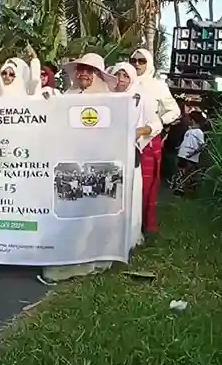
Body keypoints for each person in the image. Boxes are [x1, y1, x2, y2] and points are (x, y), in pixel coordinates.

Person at [42, 53, 116, 283]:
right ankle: (67, 260)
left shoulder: (110, 101)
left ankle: (89, 261)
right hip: (69, 164)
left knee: (91, 216)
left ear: (98, 74)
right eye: (80, 69)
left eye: (89, 70)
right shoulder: (69, 96)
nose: (83, 74)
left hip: (96, 165)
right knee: (68, 214)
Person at [128, 47, 181, 238]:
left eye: (141, 61)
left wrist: (157, 124)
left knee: (146, 186)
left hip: (148, 141)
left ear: (149, 63)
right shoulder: (125, 81)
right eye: (133, 60)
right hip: (124, 139)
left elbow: (174, 111)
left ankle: (143, 226)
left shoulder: (158, 86)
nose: (137, 64)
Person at [113, 62, 158, 248]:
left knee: (130, 196)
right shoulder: (106, 96)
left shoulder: (140, 98)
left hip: (131, 154)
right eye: (117, 74)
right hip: (110, 154)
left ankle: (130, 239)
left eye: (125, 75)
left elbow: (156, 124)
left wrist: (140, 131)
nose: (121, 79)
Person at [174, 110, 208, 195]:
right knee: (180, 172)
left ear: (193, 120)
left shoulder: (199, 132)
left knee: (188, 174)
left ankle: (187, 189)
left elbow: (202, 145)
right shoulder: (189, 131)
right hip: (182, 155)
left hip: (190, 157)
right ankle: (178, 188)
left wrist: (193, 153)